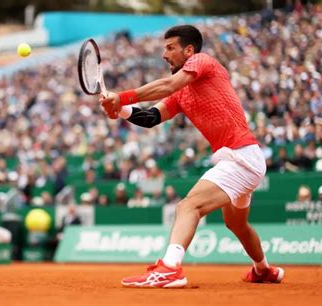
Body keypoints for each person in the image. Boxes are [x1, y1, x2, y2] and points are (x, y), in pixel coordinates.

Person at [100, 25, 284, 288]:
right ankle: (264, 269)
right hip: (240, 158)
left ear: (189, 50)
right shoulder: (181, 91)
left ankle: (170, 268)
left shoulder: (202, 61)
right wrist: (122, 109)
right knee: (237, 225)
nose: (164, 54)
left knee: (188, 206)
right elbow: (151, 117)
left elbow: (168, 84)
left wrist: (122, 96)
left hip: (240, 156)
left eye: (170, 47)